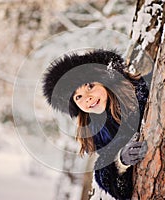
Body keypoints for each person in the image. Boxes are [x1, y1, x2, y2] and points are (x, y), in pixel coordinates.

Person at [42, 49, 149, 199]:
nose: (87, 98)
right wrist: (121, 161)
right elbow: (107, 174)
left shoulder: (141, 92)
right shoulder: (98, 131)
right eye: (78, 97)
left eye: (90, 86)